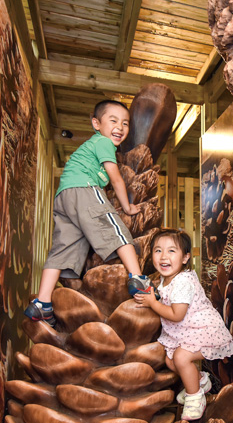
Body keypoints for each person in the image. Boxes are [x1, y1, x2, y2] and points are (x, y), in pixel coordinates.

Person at [25, 100, 153, 327]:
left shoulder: (90, 148)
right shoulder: (103, 143)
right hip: (83, 189)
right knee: (118, 231)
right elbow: (115, 177)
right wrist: (127, 207)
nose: (120, 127)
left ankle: (42, 303)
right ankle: (138, 279)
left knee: (62, 249)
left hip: (63, 197)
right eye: (113, 121)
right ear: (96, 123)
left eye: (125, 124)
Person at [134, 228, 233, 421]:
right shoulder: (164, 280)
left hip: (203, 330)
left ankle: (196, 398)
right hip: (185, 332)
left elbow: (177, 314)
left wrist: (152, 303)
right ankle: (199, 381)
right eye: (158, 250)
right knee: (171, 361)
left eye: (172, 251)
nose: (164, 256)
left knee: (181, 358)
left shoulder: (183, 282)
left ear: (185, 258)